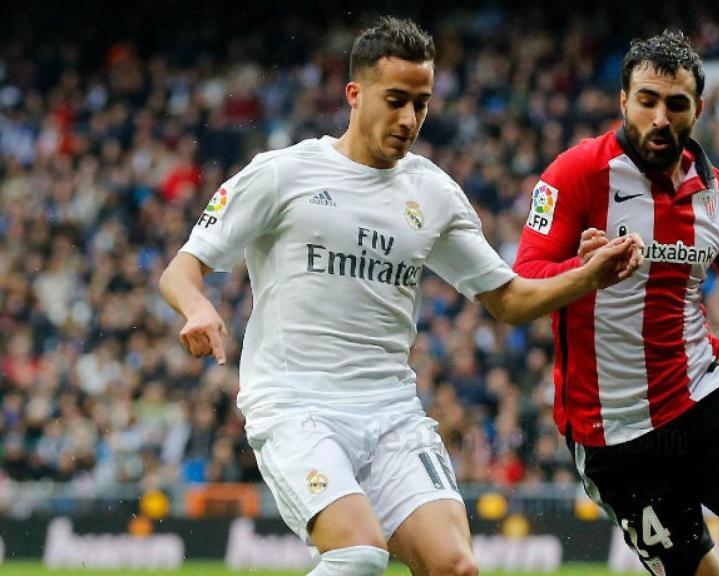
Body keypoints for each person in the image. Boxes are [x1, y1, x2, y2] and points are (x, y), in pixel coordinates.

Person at [159, 17, 642, 576]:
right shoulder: (281, 174)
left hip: (391, 412)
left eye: (422, 103)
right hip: (297, 406)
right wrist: (197, 306)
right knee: (359, 554)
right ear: (354, 94)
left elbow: (507, 300)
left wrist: (588, 277)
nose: (410, 119)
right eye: (395, 101)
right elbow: (181, 268)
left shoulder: (431, 192)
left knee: (456, 567)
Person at [514, 30, 719, 576]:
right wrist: (583, 271)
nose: (660, 117)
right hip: (612, 431)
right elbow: (522, 283)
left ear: (698, 109)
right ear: (624, 101)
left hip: (702, 399)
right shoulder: (574, 174)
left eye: (676, 103)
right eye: (647, 101)